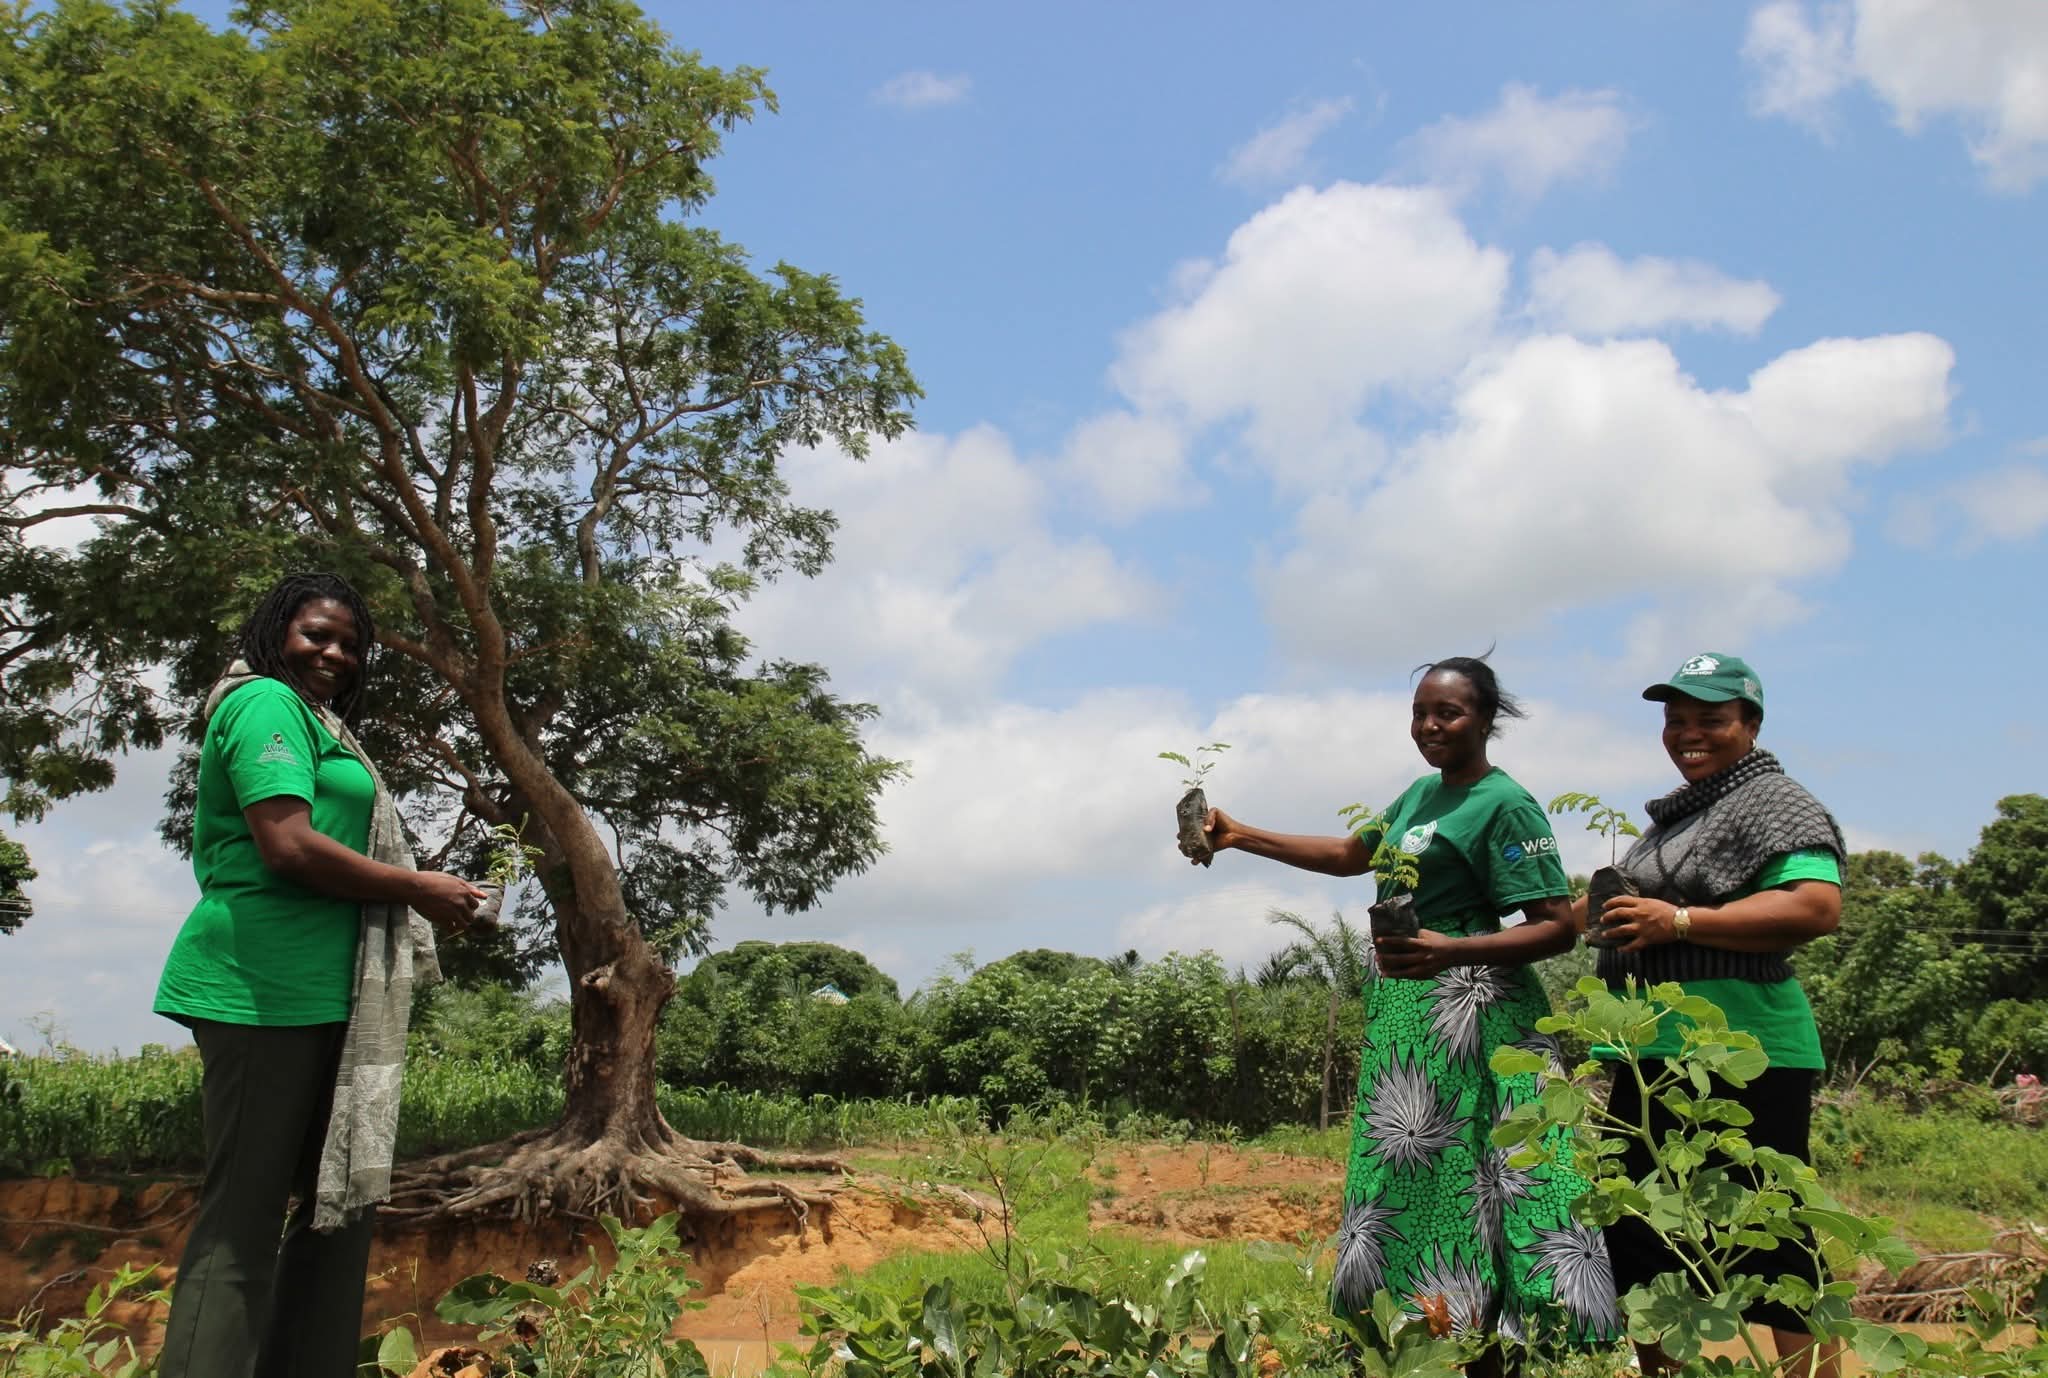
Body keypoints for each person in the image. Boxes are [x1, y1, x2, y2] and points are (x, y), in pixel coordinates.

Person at [1199, 657, 1619, 1373]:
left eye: (1448, 713)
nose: (1430, 726)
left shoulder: (1505, 805)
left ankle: (1495, 1349)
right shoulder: (1420, 795)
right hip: (1408, 1019)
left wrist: (1452, 950)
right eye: (1421, 712)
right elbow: (1347, 854)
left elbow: (1555, 926)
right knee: (1414, 1183)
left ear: (1486, 721)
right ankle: (1422, 1334)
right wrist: (1239, 834)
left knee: (1482, 1179)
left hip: (1474, 1016)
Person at [152, 573, 483, 1378]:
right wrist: (419, 888)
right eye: (316, 635)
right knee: (244, 1216)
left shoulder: (320, 723)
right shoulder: (263, 703)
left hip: (332, 993)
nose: (334, 653)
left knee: (339, 1213)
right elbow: (289, 846)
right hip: (262, 987)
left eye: (350, 644)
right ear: (277, 633)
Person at [1586, 652, 1845, 1378]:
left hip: (1742, 1048)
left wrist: (1681, 922)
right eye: (1676, 720)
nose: (1688, 733)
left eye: (1711, 719)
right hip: (1651, 1054)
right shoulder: (1680, 816)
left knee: (1773, 1239)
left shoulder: (1774, 801)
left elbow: (1815, 905)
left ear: (1751, 725)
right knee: (1637, 1237)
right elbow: (1593, 914)